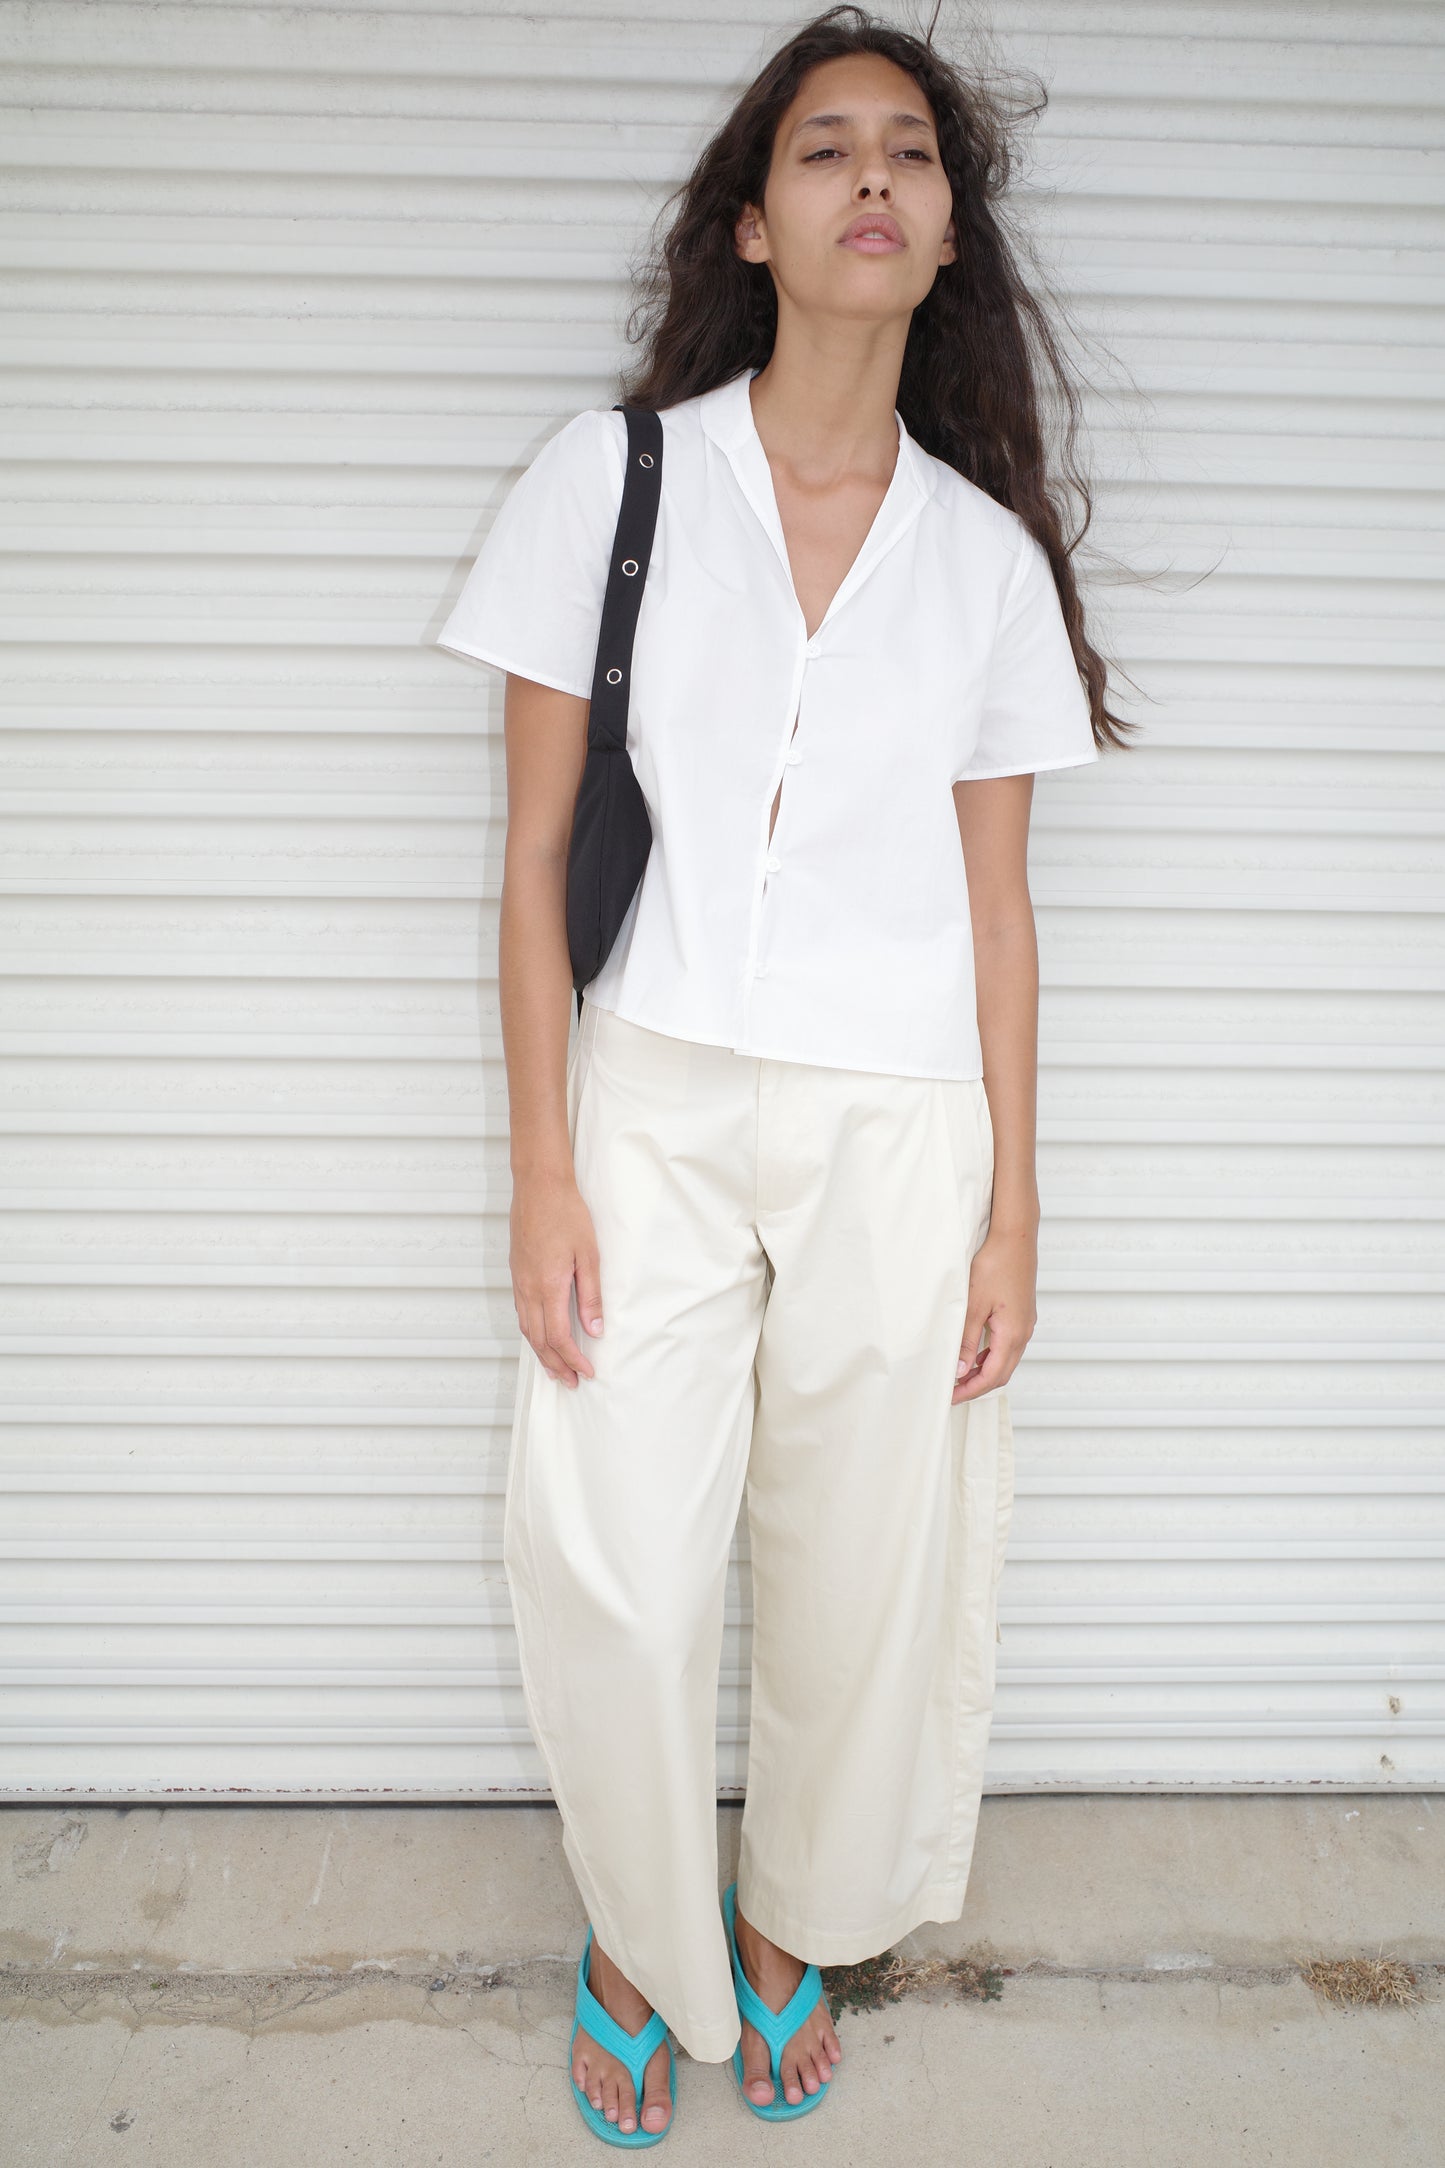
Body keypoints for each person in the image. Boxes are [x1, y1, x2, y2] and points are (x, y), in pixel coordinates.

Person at [437, 4, 1133, 2143]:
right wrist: (545, 1168)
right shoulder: (612, 478)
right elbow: (541, 854)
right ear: (752, 224)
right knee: (616, 1553)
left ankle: (780, 1918)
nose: (869, 181)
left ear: (944, 239)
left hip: (896, 1123)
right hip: (647, 1094)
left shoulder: (987, 562)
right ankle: (638, 1923)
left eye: (908, 155)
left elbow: (998, 913)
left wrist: (1017, 1202)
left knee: (862, 1563)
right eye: (824, 150)